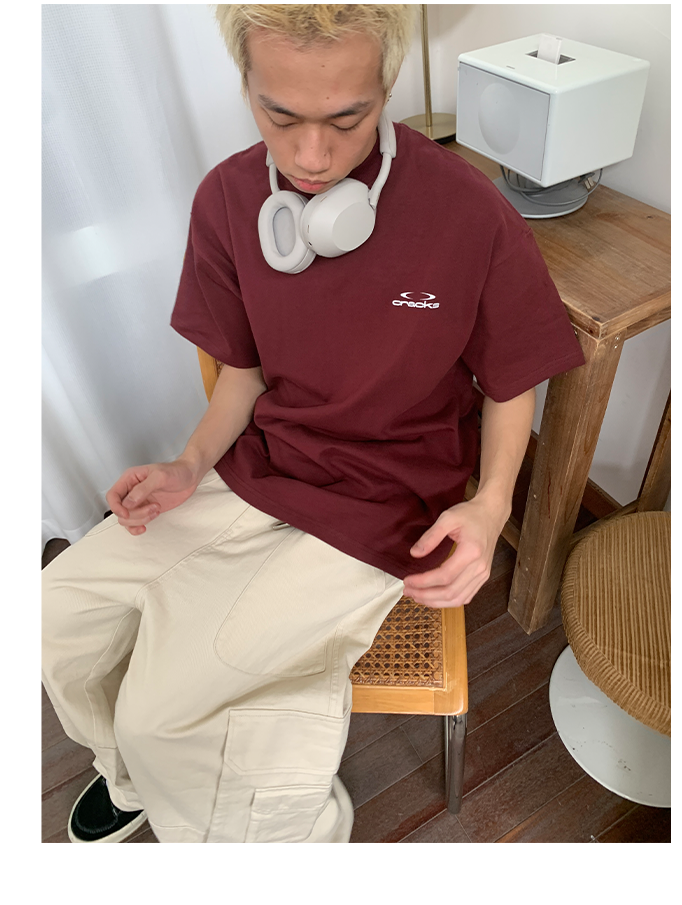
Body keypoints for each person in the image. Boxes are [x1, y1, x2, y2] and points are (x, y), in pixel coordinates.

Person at [42, 4, 585, 844]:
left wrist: (491, 505)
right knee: (59, 611)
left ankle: (286, 834)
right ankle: (132, 775)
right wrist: (189, 463)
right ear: (246, 86)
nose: (311, 156)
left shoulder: (468, 213)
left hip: (386, 503)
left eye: (347, 118)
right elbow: (244, 375)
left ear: (387, 88)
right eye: (280, 115)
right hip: (262, 467)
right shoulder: (228, 200)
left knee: (166, 708)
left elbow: (514, 379)